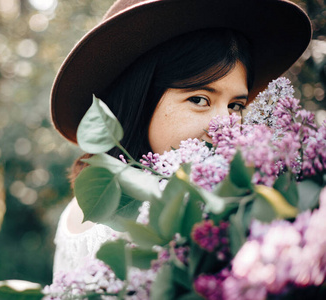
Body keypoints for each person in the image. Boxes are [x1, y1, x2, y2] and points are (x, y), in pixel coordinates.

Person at [49, 0, 312, 275]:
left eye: (236, 106)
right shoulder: (178, 215)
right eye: (199, 99)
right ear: (142, 100)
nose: (225, 126)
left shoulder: (228, 197)